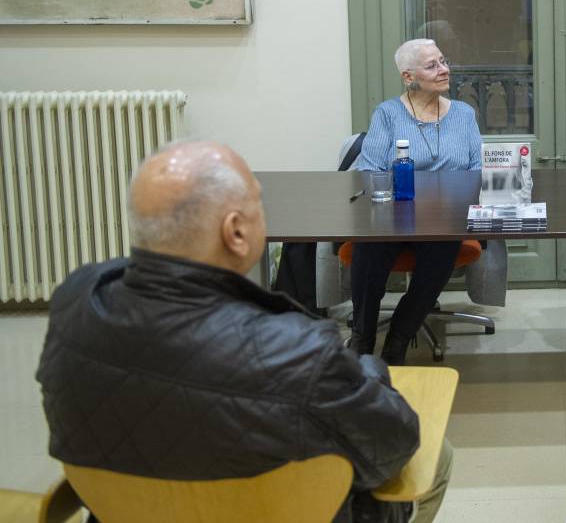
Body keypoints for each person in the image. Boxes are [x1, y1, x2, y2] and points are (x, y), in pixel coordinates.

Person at [36, 141, 451, 523]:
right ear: (235, 231)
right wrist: (369, 369)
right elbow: (392, 445)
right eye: (259, 203)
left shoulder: (75, 301)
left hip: (124, 510)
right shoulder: (300, 352)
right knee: (439, 455)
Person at [351, 38, 483, 365]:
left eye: (443, 61)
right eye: (432, 65)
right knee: (369, 249)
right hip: (395, 214)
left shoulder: (464, 114)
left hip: (446, 219)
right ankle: (362, 336)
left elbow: (477, 170)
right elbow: (368, 169)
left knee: (442, 250)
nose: (444, 70)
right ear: (409, 77)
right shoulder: (388, 113)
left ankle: (399, 335)